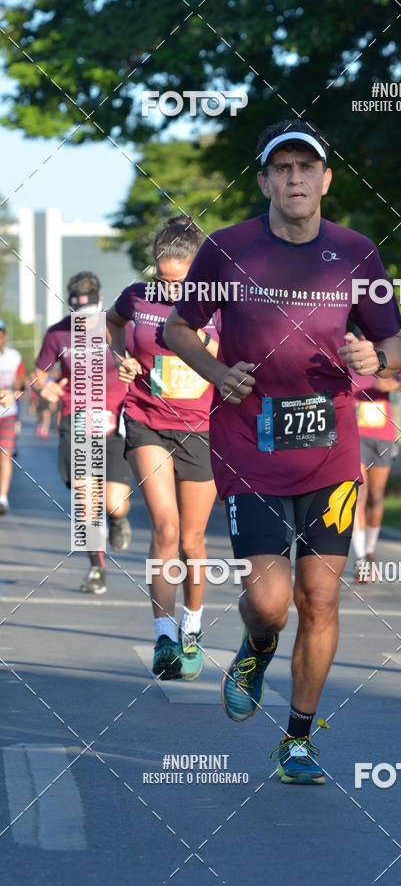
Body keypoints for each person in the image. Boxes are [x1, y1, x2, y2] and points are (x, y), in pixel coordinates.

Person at [163, 120, 401, 783]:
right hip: (248, 439)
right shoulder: (227, 248)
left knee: (321, 599)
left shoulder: (357, 253)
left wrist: (374, 356)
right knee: (272, 601)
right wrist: (217, 375)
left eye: (308, 168)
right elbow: (178, 329)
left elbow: (396, 348)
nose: (296, 179)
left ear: (326, 180)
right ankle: (257, 644)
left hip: (330, 447)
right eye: (283, 168)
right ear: (265, 179)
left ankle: (297, 740)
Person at [106, 216, 219, 682]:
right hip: (147, 420)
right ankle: (164, 637)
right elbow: (112, 324)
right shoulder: (136, 296)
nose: (171, 290)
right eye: (164, 278)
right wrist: (121, 358)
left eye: (181, 281)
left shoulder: (218, 305)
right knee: (165, 527)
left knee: (193, 541)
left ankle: (191, 629)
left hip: (201, 429)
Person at [31, 273, 133, 593]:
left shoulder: (119, 328)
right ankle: (96, 568)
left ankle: (116, 521)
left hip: (115, 423)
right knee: (85, 498)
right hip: (75, 422)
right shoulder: (57, 334)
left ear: (100, 304)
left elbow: (142, 363)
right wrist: (43, 388)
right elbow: (38, 375)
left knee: (114, 503)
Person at [350, 342, 401, 583]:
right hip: (356, 435)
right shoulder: (349, 350)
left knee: (377, 496)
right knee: (358, 494)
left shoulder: (390, 352)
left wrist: (395, 384)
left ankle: (370, 551)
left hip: (383, 436)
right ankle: (360, 559)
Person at [0, 320, 26, 514]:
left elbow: (21, 385)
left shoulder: (14, 357)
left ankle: (2, 498)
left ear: (4, 336)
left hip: (8, 414)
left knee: (5, 455)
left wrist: (14, 391)